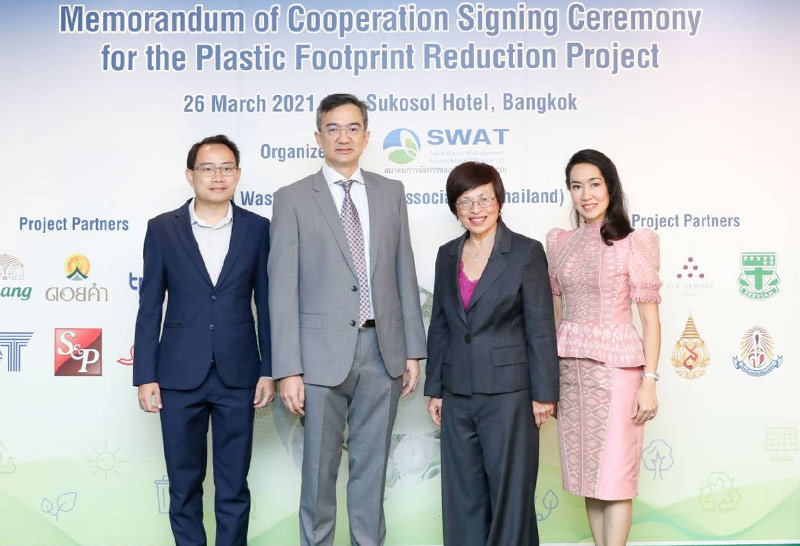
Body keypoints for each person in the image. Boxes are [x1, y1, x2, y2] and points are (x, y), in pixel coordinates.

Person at [268, 93, 427, 546]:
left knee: (371, 472)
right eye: (333, 128)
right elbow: (282, 288)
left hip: (382, 351)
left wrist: (413, 350)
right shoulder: (292, 198)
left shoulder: (390, 193)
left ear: (366, 136)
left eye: (353, 128)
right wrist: (288, 369)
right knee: (318, 474)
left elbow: (404, 270)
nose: (343, 137)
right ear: (318, 137)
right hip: (318, 359)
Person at [134, 135, 275, 546]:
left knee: (233, 488)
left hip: (239, 375)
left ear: (238, 175)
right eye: (208, 168)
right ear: (190, 175)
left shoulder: (257, 228)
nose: (218, 176)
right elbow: (149, 306)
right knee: (183, 487)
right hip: (178, 377)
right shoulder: (162, 229)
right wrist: (145, 375)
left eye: (226, 168)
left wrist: (269, 370)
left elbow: (266, 305)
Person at [424, 161, 559, 546]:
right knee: (462, 495)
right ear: (455, 208)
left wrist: (544, 394)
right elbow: (441, 324)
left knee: (510, 496)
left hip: (510, 396)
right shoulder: (447, 254)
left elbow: (540, 327)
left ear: (499, 201)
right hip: (458, 393)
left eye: (484, 199)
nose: (476, 209)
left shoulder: (525, 252)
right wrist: (435, 388)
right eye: (465, 201)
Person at [546, 149, 661, 546]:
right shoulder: (559, 243)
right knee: (588, 477)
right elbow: (556, 314)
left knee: (614, 478)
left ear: (610, 187)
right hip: (571, 374)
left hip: (617, 373)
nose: (586, 194)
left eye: (594, 184)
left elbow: (650, 321)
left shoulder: (634, 242)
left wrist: (650, 381)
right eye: (576, 186)